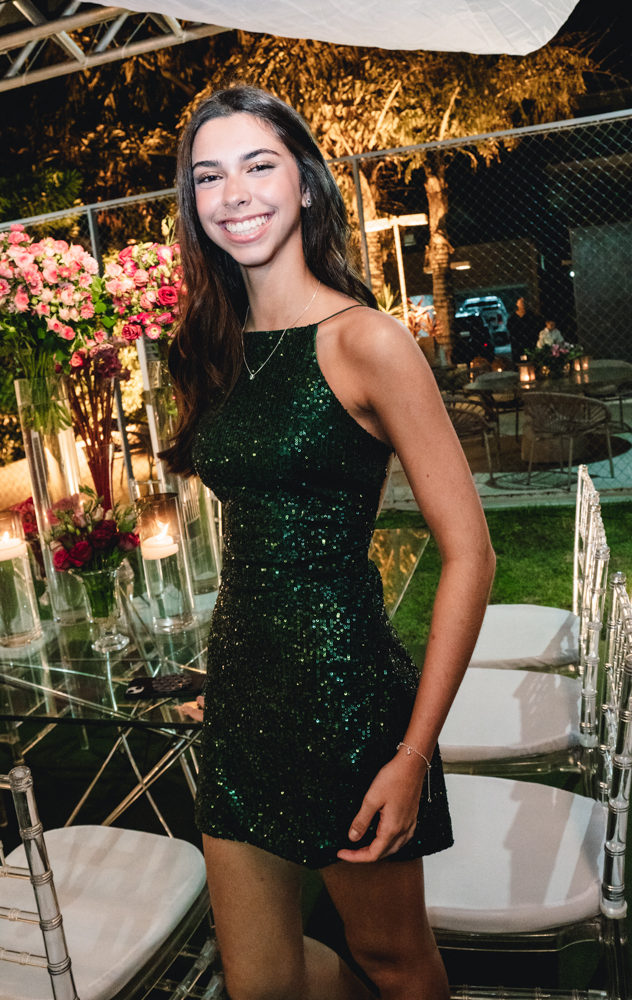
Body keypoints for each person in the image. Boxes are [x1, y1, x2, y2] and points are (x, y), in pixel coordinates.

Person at [163, 86, 496, 1000]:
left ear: (305, 184)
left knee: (393, 960)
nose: (234, 192)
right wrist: (227, 674)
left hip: (346, 705)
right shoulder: (214, 345)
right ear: (192, 203)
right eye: (208, 176)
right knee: (259, 982)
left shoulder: (366, 342)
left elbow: (471, 553)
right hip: (242, 696)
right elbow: (262, 533)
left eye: (258, 165)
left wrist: (411, 754)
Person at [507, 296, 543, 363]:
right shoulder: (512, 317)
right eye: (521, 302)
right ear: (517, 304)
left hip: (529, 341)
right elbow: (511, 329)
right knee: (519, 359)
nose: (523, 304)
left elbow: (536, 327)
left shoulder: (530, 315)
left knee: (531, 359)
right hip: (517, 342)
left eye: (524, 302)